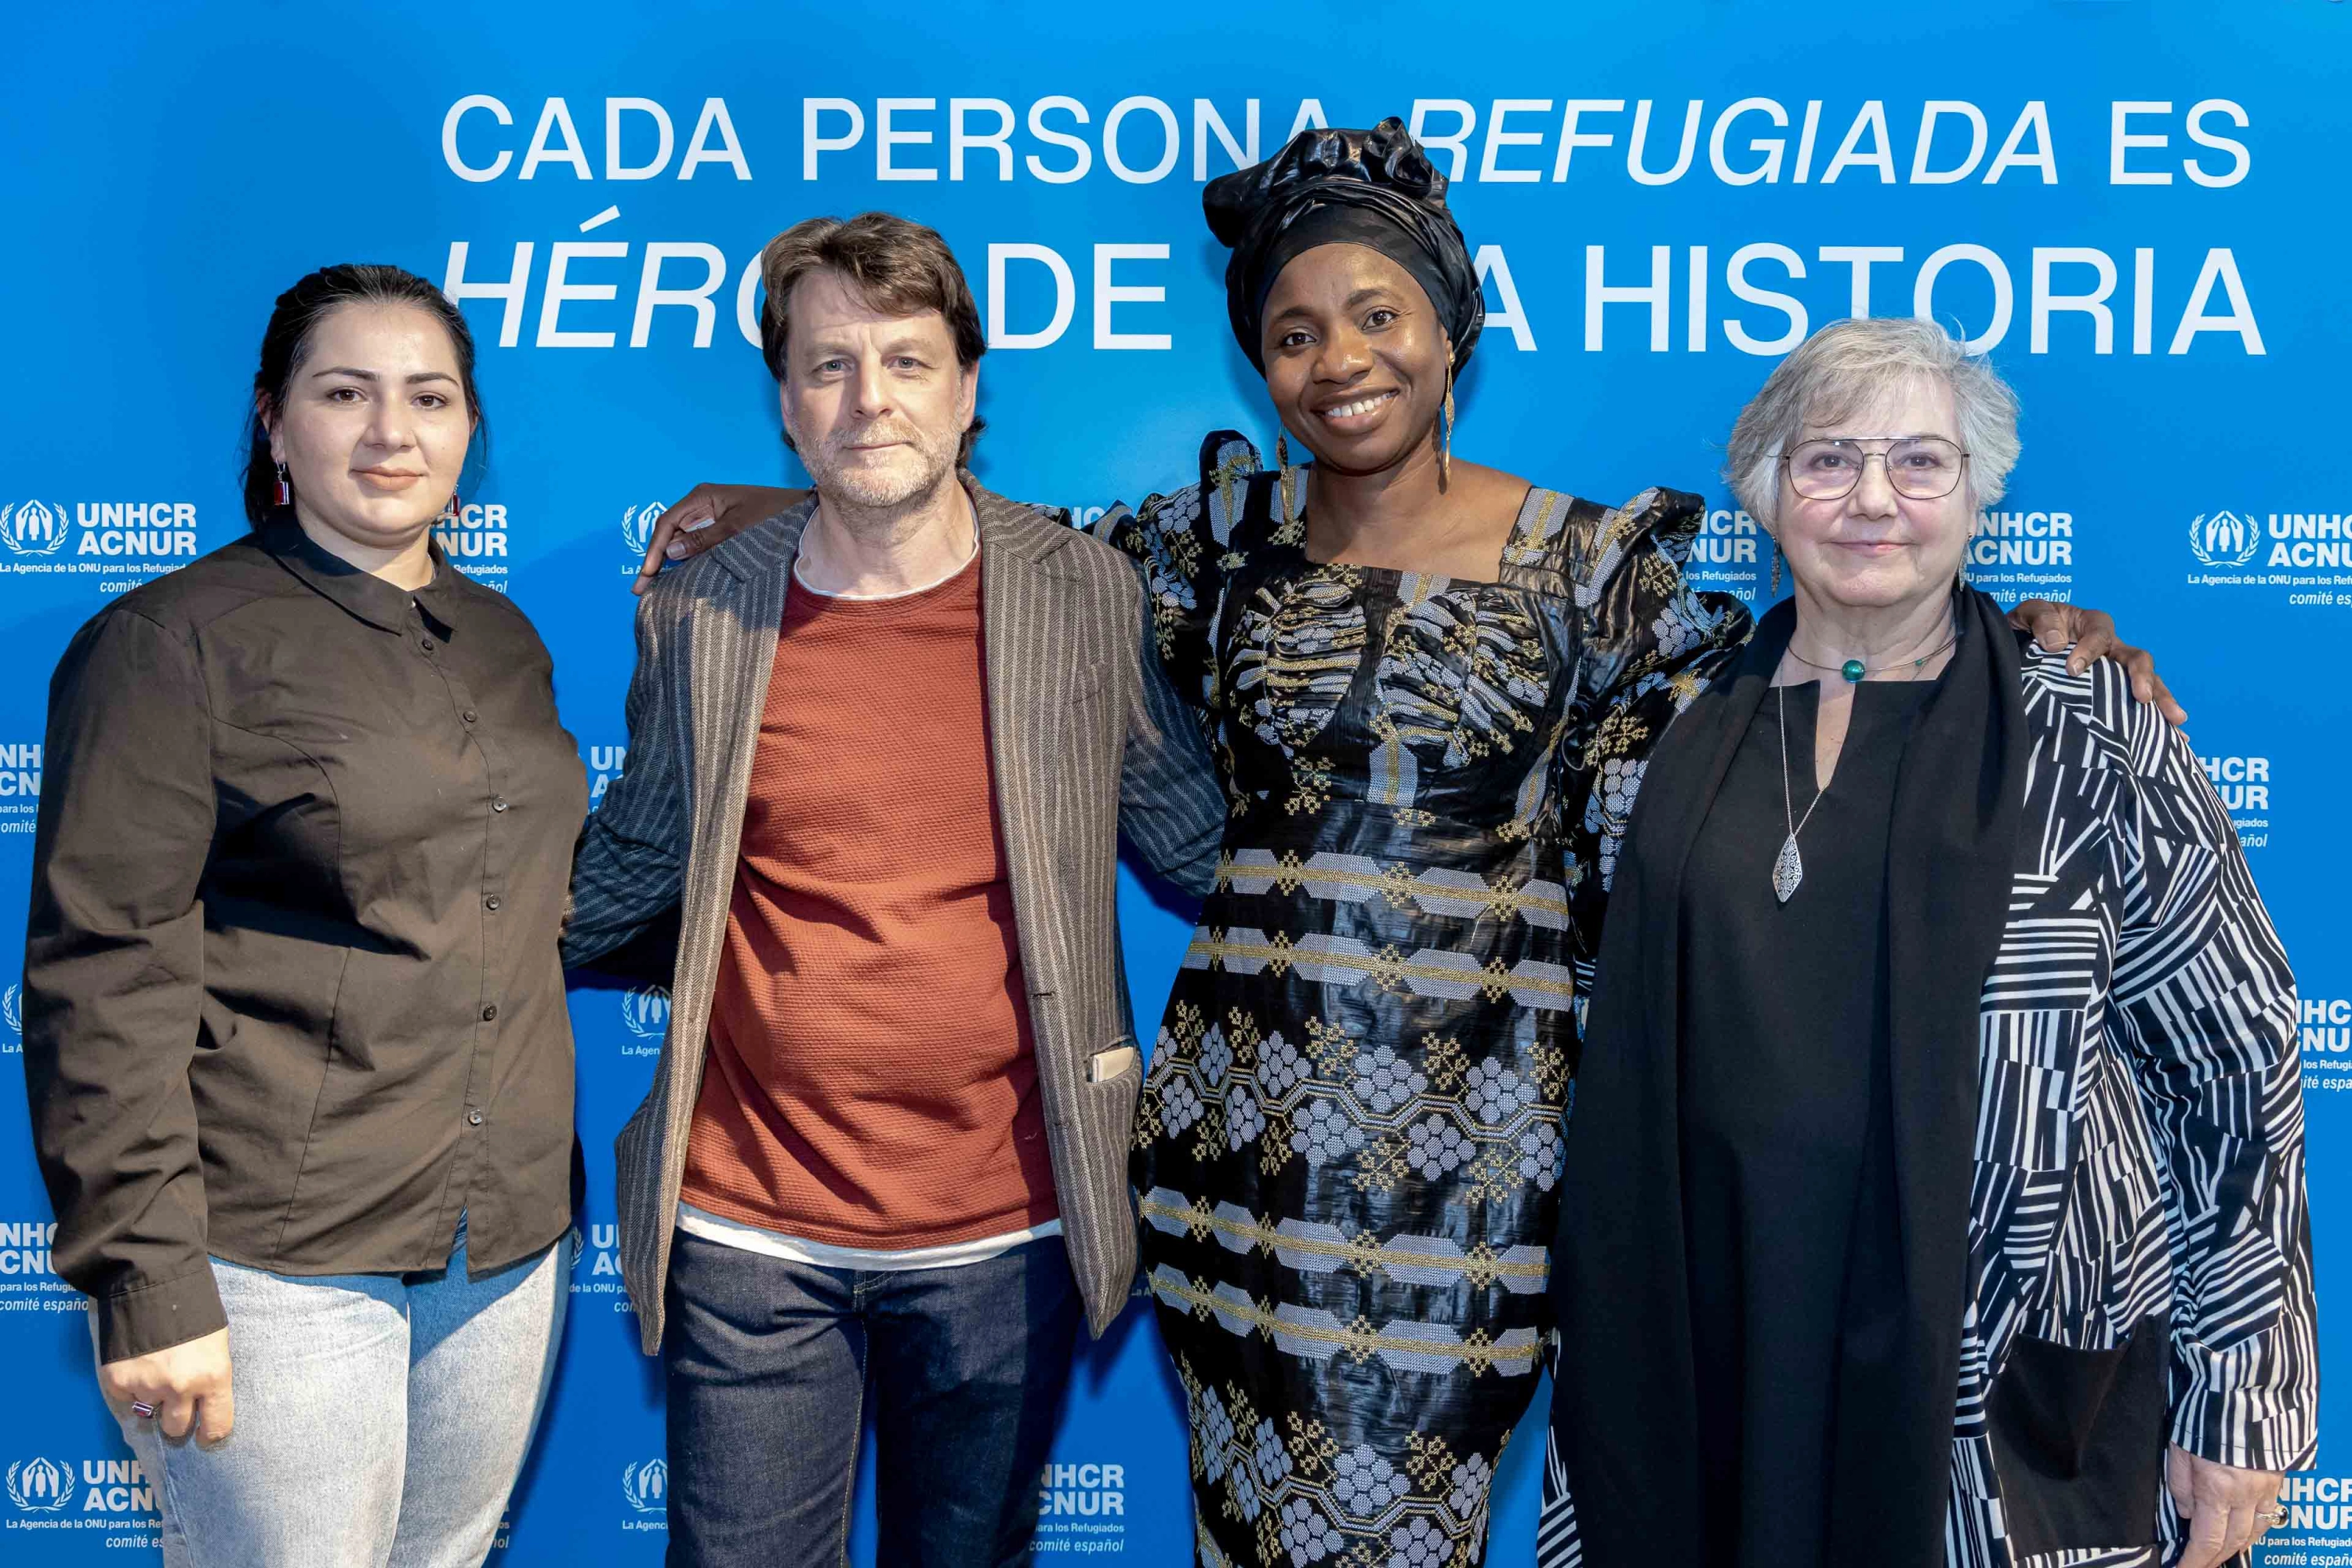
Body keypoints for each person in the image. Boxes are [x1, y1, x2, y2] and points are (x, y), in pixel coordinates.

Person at [637, 125, 2169, 1567]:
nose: (1338, 362)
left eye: (1377, 316)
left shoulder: (1592, 566)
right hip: (1233, 1160)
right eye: (1293, 334)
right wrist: (778, 495)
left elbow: (1784, 709)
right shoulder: (1209, 543)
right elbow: (990, 551)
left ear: (1454, 330)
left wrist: (2009, 635)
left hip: (1481, 1161)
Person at [1544, 316, 2314, 1568]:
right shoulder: (1654, 742)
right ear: (1767, 495)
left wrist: (2242, 1395)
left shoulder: (2088, 726)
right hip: (1710, 1352)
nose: (1872, 501)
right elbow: (1574, 1022)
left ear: (1979, 500)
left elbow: (2236, 1067)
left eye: (1920, 463)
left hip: (2003, 1375)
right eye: (1828, 460)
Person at [557, 212, 1225, 1568]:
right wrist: (422, 913)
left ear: (970, 392)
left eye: (909, 362)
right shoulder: (703, 605)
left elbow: (1197, 843)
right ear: (786, 407)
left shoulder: (1085, 593)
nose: (872, 400)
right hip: (745, 1227)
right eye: (830, 367)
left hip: (1008, 1226)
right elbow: (636, 858)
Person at [20, 264, 584, 1567]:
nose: (393, 433)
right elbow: (101, 979)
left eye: (429, 397)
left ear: (469, 429)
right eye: (346, 393)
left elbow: (546, 893)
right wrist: (147, 1282)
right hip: (275, 1260)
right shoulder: (169, 645)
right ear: (275, 421)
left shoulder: (503, 639)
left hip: (498, 1243)